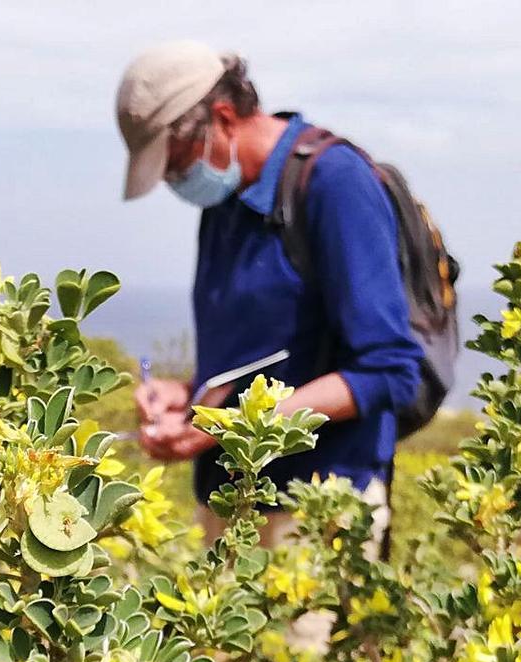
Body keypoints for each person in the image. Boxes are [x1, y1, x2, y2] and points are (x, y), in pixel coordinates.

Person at [115, 40, 425, 548]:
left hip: (315, 514)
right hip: (230, 504)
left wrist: (233, 426)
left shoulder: (334, 184)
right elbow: (261, 358)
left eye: (175, 163)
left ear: (222, 117)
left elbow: (389, 372)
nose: (174, 181)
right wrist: (187, 395)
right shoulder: (226, 203)